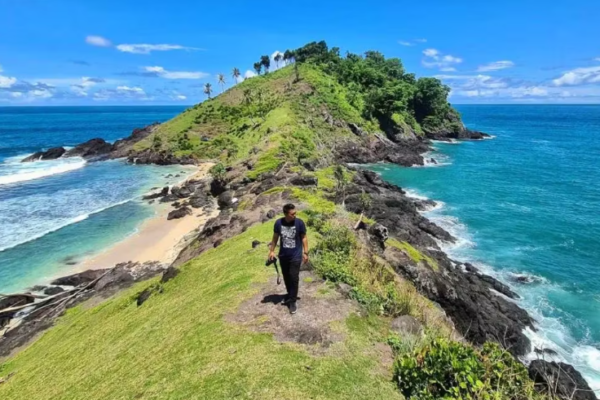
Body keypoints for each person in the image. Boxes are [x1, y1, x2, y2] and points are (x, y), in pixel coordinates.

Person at [268, 203, 308, 314]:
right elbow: (275, 238)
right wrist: (271, 251)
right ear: (286, 214)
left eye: (295, 213)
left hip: (296, 256)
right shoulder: (278, 223)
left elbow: (304, 238)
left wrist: (306, 252)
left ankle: (292, 301)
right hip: (283, 256)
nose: (295, 215)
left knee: (294, 277)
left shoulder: (299, 223)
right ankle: (289, 294)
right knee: (286, 277)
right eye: (292, 214)